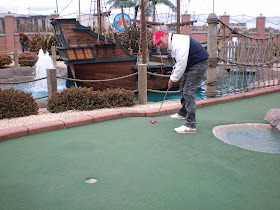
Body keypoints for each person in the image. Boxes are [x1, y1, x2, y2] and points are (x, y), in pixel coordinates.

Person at [153, 30, 209, 134]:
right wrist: (175, 68)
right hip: (192, 64)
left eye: (160, 42)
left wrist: (172, 79)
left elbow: (182, 63)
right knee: (183, 87)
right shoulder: (173, 43)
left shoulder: (177, 43)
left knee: (188, 91)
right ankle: (183, 112)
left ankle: (191, 125)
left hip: (199, 63)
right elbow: (179, 61)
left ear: (165, 36)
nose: (161, 45)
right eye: (158, 44)